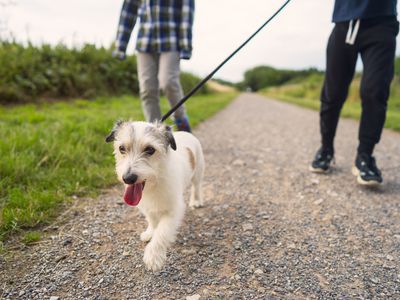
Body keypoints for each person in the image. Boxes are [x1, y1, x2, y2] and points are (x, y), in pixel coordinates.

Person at [310, 0, 399, 186]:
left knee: (375, 90)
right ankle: (326, 149)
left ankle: (365, 157)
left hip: (381, 23)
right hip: (344, 23)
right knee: (333, 93)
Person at [113, 0, 194, 132]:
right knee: (147, 89)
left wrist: (185, 45)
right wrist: (121, 45)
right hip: (145, 41)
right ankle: (155, 132)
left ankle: (181, 120)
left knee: (168, 82)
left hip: (171, 40)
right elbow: (128, 11)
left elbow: (186, 11)